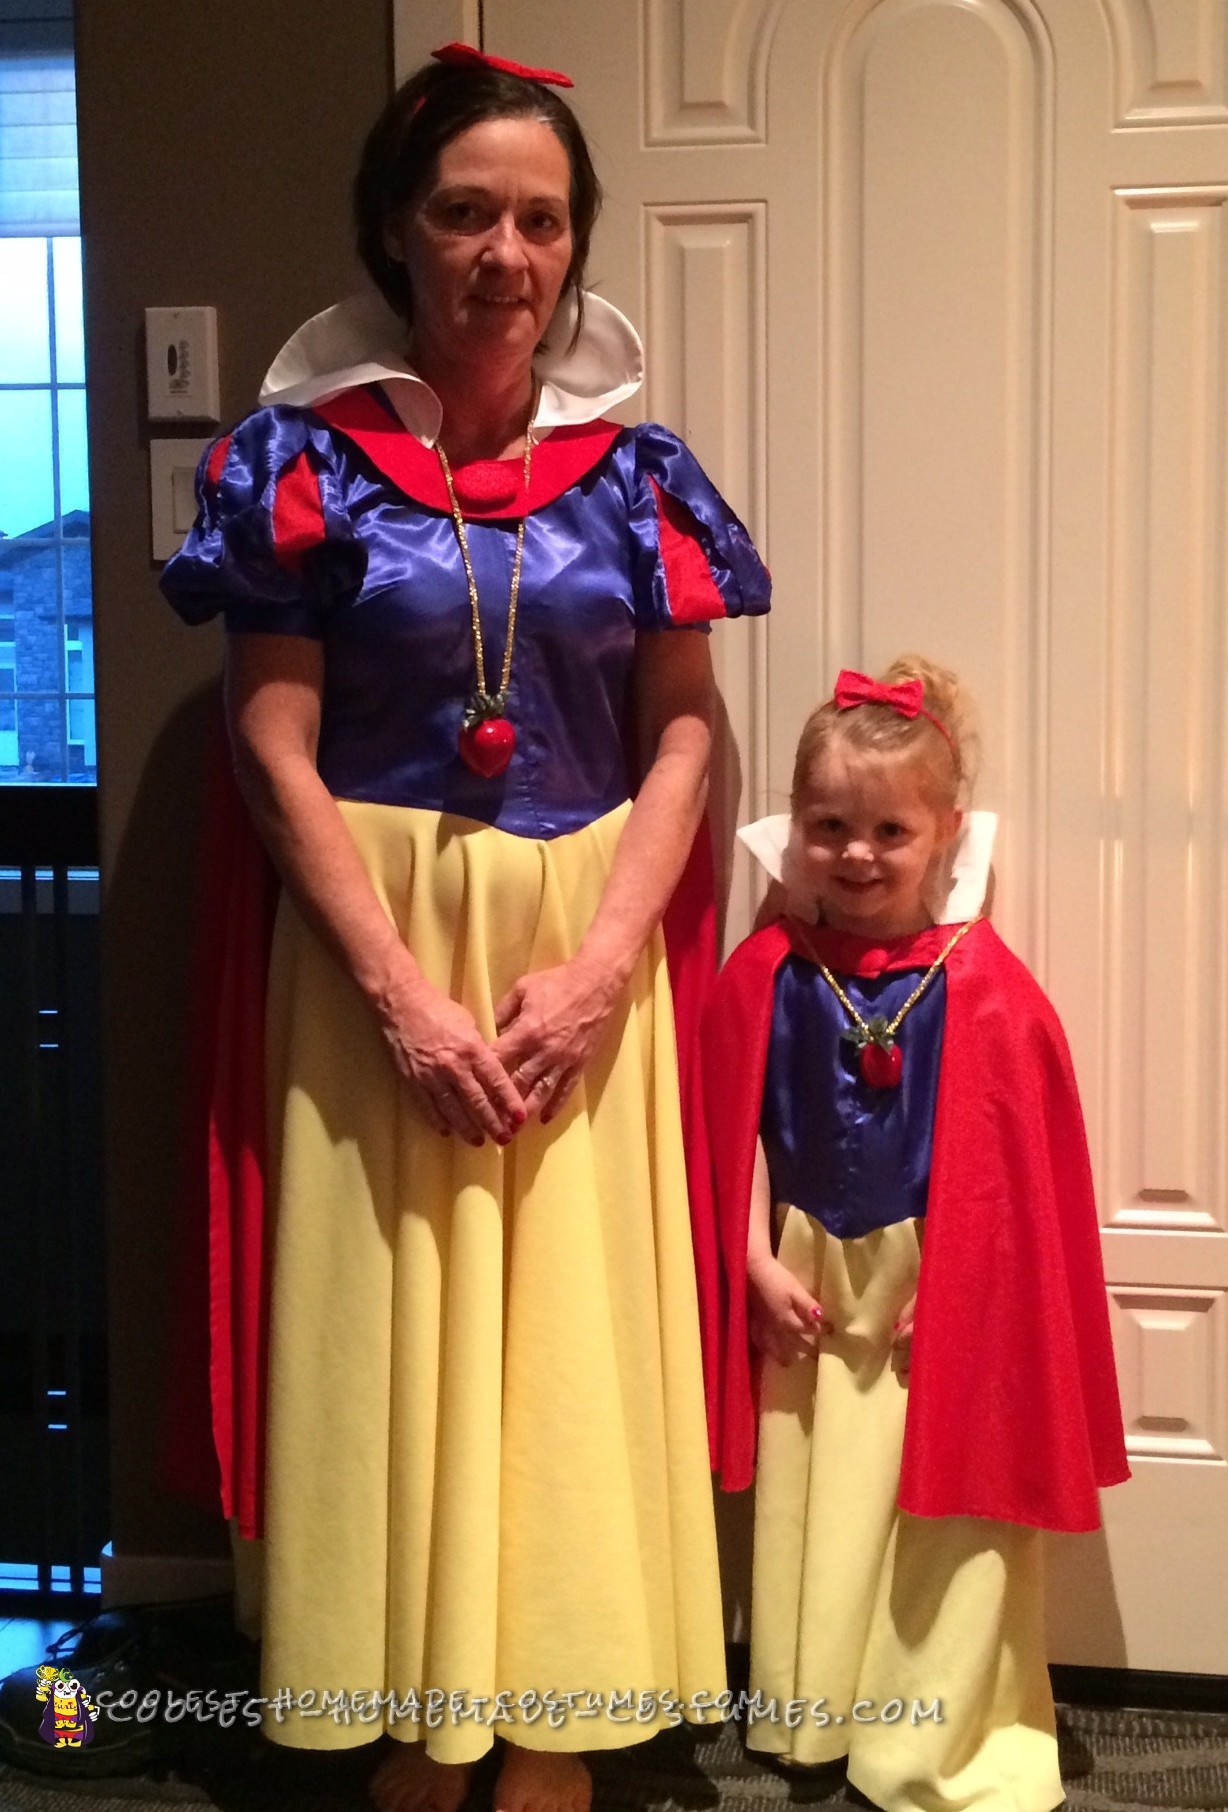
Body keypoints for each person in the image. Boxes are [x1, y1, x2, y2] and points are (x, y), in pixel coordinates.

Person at [161, 43, 770, 1812]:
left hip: (579, 945)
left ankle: (547, 1729)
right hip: (374, 949)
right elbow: (270, 733)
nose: (504, 253)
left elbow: (681, 733)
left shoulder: (637, 474)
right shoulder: (299, 460)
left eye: (539, 219)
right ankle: (409, 1718)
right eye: (465, 214)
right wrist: (399, 995)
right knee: (388, 1334)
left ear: (573, 245)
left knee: (567, 1348)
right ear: (393, 230)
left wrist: (598, 975)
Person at [698, 659, 1128, 1812]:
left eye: (889, 828)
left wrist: (965, 1293)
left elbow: (1016, 1176)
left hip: (936, 1285)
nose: (857, 853)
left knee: (930, 1517)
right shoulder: (770, 971)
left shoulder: (983, 984)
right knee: (815, 1504)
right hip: (802, 1271)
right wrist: (745, 1255)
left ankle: (924, 1732)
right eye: (831, 825)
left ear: (942, 831)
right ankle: (816, 1713)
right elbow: (725, 1129)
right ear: (797, 830)